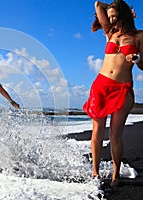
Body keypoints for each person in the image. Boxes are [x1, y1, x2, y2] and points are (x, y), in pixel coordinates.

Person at [83, 0, 143, 187]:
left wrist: (136, 58)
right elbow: (97, 4)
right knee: (97, 132)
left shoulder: (138, 36)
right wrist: (109, 7)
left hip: (122, 87)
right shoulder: (109, 32)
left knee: (115, 135)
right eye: (109, 17)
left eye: (115, 15)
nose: (111, 19)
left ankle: (116, 174)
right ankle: (95, 173)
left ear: (123, 14)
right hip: (101, 85)